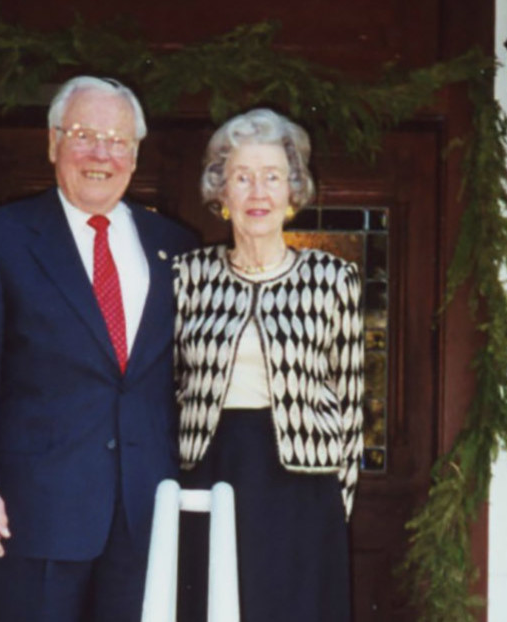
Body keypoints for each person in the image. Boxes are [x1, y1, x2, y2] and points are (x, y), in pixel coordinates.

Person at [0, 75, 198, 622]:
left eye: (117, 140)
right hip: (37, 509)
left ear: (135, 153)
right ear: (53, 142)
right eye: (84, 134)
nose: (101, 153)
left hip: (146, 511)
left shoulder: (175, 248)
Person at [173, 108, 364, 622]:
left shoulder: (332, 280)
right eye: (242, 177)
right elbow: (169, 387)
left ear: (292, 191)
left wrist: (335, 502)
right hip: (212, 470)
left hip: (301, 485)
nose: (258, 192)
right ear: (222, 193)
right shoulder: (189, 277)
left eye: (272, 177)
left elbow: (349, 400)